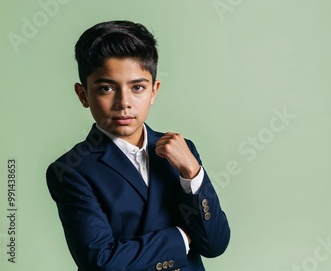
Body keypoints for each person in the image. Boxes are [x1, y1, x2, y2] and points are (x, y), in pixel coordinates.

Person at [46, 20, 230, 271]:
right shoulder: (71, 170)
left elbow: (215, 245)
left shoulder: (182, 150)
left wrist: (193, 174)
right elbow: (101, 263)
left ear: (153, 91)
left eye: (137, 87)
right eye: (107, 88)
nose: (124, 102)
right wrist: (180, 238)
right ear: (83, 95)